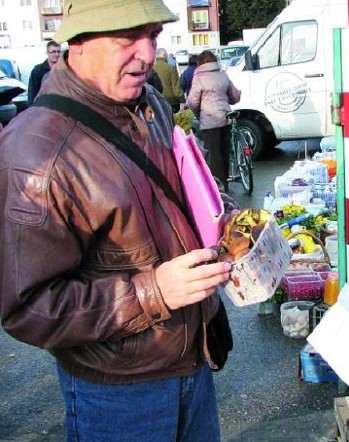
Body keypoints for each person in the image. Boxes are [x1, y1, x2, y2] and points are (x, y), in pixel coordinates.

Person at [0, 1, 240, 440]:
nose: (147, 54)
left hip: (192, 361)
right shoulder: (36, 154)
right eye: (126, 38)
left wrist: (226, 217)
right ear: (77, 44)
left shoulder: (148, 105)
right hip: (118, 393)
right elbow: (27, 308)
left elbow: (178, 191)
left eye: (151, 35)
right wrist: (156, 291)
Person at [188, 50, 241, 191]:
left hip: (210, 118)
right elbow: (235, 96)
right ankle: (226, 181)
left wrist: (197, 113)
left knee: (213, 152)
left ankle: (219, 186)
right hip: (226, 117)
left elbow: (193, 101)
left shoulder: (199, 77)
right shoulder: (223, 74)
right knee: (225, 150)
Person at [27, 40, 61, 105]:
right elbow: (32, 92)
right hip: (43, 107)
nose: (56, 54)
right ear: (47, 53)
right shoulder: (38, 70)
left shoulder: (64, 69)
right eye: (53, 52)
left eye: (58, 51)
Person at [153, 47, 184, 112]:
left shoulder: (151, 69)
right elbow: (176, 88)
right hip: (171, 102)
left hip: (156, 101)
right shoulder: (171, 68)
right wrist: (182, 99)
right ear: (166, 56)